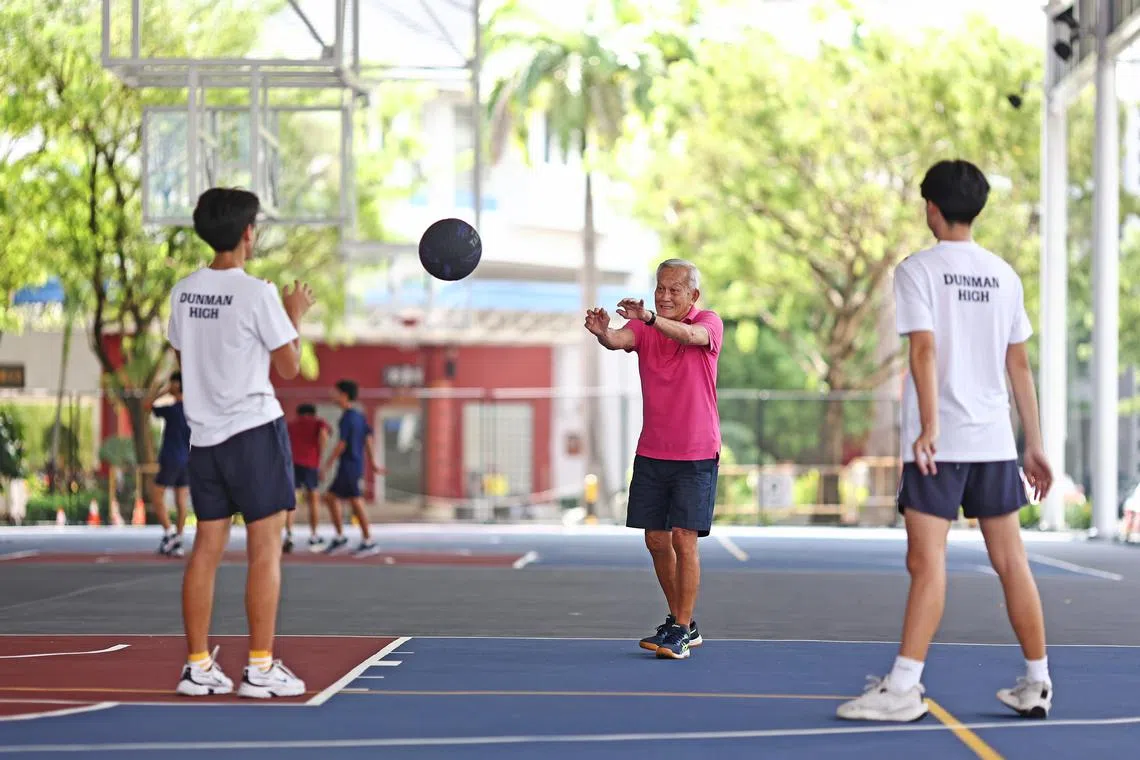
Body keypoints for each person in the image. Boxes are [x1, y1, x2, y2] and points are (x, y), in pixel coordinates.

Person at [836, 160, 1054, 722]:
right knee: (1012, 562)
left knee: (927, 565)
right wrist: (1033, 442)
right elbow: (1020, 368)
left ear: (932, 209)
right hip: (994, 443)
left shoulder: (918, 271)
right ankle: (1037, 681)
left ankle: (905, 687)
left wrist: (930, 426)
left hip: (941, 445)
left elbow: (924, 351)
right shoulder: (1005, 275)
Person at [167, 187, 312, 699]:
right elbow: (289, 366)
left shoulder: (183, 291)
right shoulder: (258, 294)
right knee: (264, 552)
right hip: (253, 433)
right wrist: (294, 312)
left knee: (205, 551)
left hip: (203, 439)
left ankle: (198, 666)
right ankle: (260, 667)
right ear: (249, 232)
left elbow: (185, 354)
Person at [584, 258, 723, 660]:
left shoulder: (709, 322)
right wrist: (601, 332)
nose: (664, 295)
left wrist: (648, 317)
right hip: (652, 451)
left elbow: (692, 336)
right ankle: (683, 620)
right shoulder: (644, 330)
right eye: (660, 287)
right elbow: (619, 339)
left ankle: (681, 628)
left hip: (697, 451)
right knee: (656, 540)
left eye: (674, 289)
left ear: (692, 295)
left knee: (684, 537)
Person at [319, 379, 381, 557]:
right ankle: (341, 538)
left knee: (355, 500)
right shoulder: (359, 416)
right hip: (354, 464)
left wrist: (326, 465)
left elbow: (342, 444)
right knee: (331, 497)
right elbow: (368, 438)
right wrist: (373, 463)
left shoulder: (347, 417)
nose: (332, 395)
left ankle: (368, 540)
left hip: (349, 464)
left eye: (335, 392)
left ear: (344, 395)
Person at [149, 372, 191, 557]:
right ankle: (178, 540)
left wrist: (164, 391)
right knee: (181, 501)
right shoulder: (192, 410)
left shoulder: (173, 409)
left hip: (171, 458)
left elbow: (146, 405)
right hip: (187, 460)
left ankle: (170, 533)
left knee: (156, 495)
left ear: (176, 385)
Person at [284, 403, 331, 553]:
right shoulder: (318, 422)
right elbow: (324, 434)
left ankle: (289, 535)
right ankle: (314, 535)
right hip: (311, 463)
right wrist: (320, 454)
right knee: (313, 499)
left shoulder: (291, 425)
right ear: (313, 413)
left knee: (292, 500)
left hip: (293, 463)